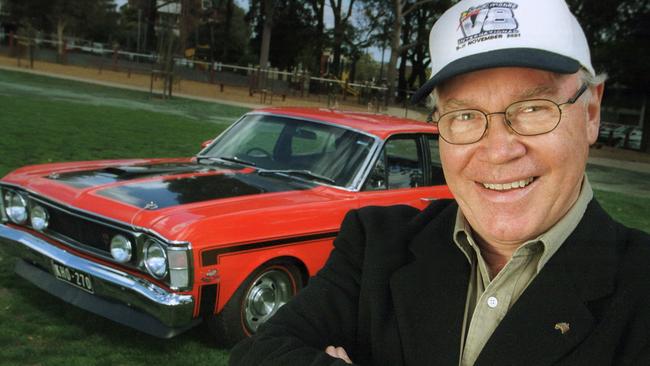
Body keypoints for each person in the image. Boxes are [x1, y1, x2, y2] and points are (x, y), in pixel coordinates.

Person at [229, 0, 650, 365]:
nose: (498, 150)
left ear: (592, 111)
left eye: (533, 107)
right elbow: (258, 354)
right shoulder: (376, 245)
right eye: (464, 115)